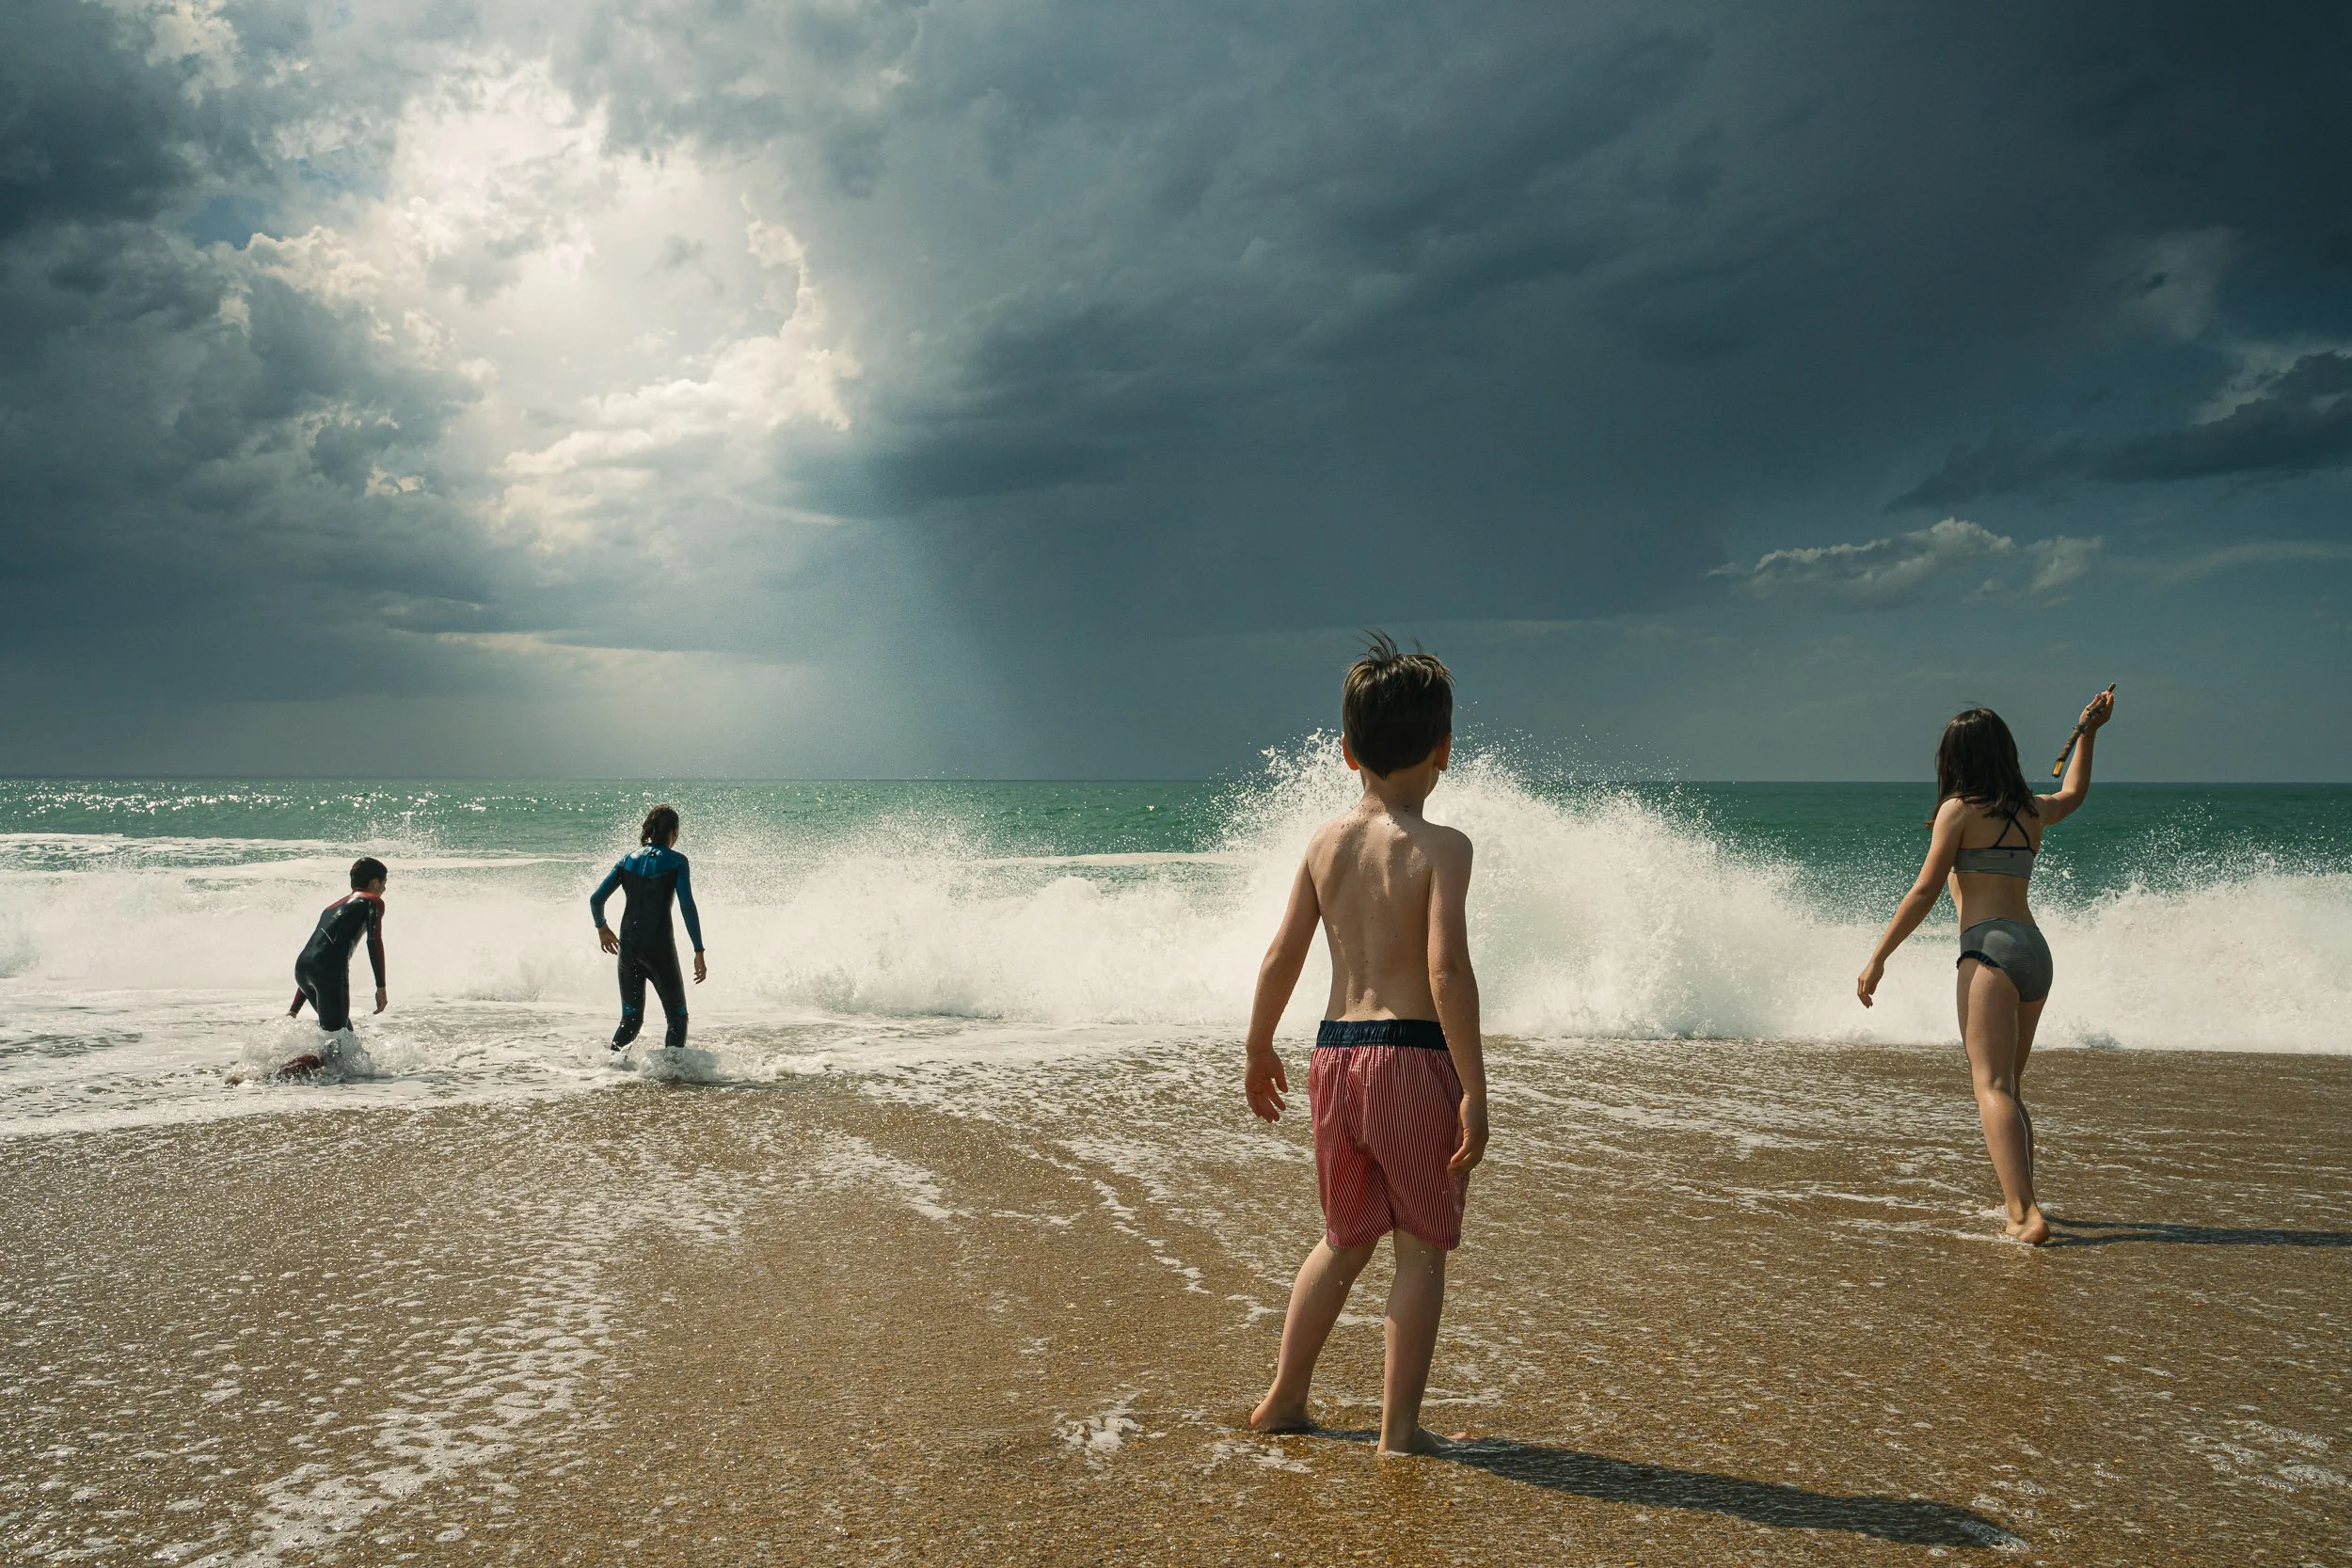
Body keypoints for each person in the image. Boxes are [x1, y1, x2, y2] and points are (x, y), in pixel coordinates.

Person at [1242, 634, 1488, 1458]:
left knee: (1343, 1239)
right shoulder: (1441, 847)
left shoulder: (1323, 843)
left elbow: (1282, 953)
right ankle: (1399, 1430)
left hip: (1333, 1056)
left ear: (1346, 752)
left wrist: (1256, 1045)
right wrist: (1474, 1088)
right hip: (1413, 1057)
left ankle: (1284, 1395)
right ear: (1444, 751)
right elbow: (1446, 969)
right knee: (1419, 1250)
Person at [1856, 689, 2116, 1245]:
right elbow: (2075, 792)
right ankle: (2021, 1199)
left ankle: (2024, 1214)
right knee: (2010, 1087)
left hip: (1988, 951)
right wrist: (2089, 732)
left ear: (1956, 759)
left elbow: (1925, 889)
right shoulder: (2030, 811)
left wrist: (1879, 956)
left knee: (1991, 1086)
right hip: (2033, 949)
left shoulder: (1957, 811)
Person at [591, 804, 707, 1052]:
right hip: (659, 949)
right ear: (673, 833)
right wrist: (699, 950)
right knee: (677, 1017)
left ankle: (609, 1071)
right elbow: (687, 906)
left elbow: (596, 899)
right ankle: (672, 1074)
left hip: (629, 948)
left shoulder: (627, 860)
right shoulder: (677, 862)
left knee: (631, 1020)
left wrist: (602, 927)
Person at [284, 856, 389, 1072]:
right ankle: (276, 1075)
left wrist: (295, 1008)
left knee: (344, 1039)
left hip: (303, 969)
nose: (384, 889)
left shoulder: (331, 907)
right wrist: (381, 986)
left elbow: (314, 955)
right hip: (329, 971)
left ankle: (338, 1079)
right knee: (336, 1046)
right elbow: (373, 940)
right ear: (374, 882)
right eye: (384, 882)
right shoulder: (372, 901)